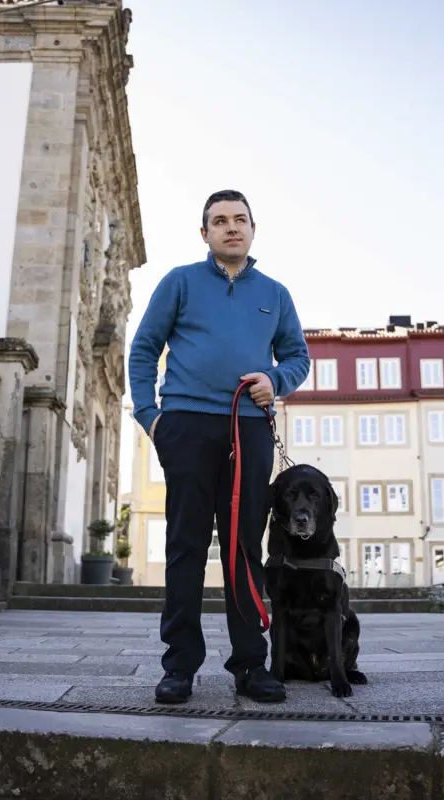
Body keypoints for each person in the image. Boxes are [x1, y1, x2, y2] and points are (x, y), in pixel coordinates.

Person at [128, 189, 311, 705]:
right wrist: (151, 417)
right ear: (204, 232)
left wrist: (275, 380)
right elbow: (143, 349)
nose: (231, 227)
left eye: (240, 220)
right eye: (219, 221)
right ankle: (179, 666)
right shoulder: (180, 282)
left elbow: (298, 356)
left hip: (248, 427)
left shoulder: (274, 293)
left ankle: (250, 664)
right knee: (185, 545)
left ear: (253, 229)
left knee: (243, 546)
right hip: (185, 425)